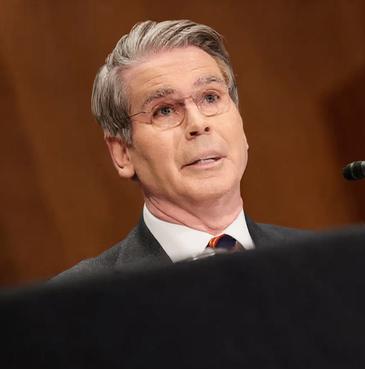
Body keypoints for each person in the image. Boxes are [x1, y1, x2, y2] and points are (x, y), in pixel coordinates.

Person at [55, 20, 305, 281]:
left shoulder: (322, 261)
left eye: (210, 97)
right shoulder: (79, 298)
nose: (198, 124)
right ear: (122, 154)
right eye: (164, 110)